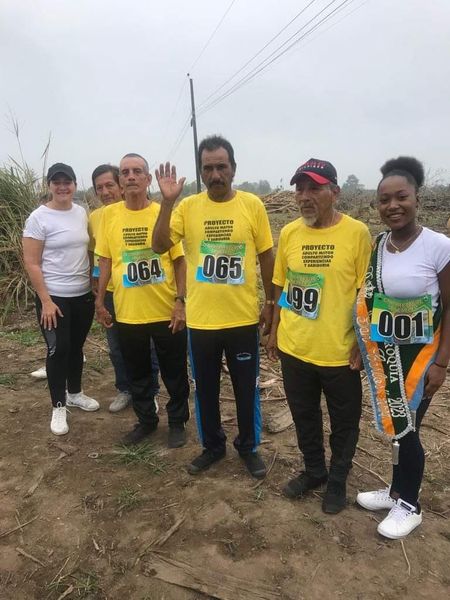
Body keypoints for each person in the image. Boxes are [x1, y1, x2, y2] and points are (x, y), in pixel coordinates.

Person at [152, 135, 275, 479]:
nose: (215, 174)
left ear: (233, 168)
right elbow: (159, 245)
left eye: (221, 166)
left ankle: (248, 447)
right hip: (202, 322)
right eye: (208, 168)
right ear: (201, 172)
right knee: (205, 389)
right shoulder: (188, 208)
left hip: (242, 320)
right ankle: (213, 446)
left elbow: (266, 255)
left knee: (245, 388)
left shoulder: (252, 205)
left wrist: (269, 302)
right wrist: (166, 203)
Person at [266, 158, 372, 513]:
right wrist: (274, 330)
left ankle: (338, 479)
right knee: (304, 415)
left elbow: (366, 292)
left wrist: (362, 341)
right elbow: (281, 283)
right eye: (300, 189)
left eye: (314, 188)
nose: (304, 196)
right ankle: (314, 470)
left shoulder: (357, 233)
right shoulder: (290, 233)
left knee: (344, 422)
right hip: (295, 347)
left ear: (335, 192)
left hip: (339, 351)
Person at [354, 156, 450, 538]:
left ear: (417, 198)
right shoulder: (379, 245)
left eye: (401, 197)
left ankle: (410, 505)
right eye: (384, 200)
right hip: (387, 353)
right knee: (398, 428)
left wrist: (442, 364)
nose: (393, 205)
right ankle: (396, 491)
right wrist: (361, 347)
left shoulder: (438, 246)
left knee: (408, 429)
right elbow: (370, 301)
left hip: (421, 358)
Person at [94, 153, 190, 448]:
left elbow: (180, 262)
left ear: (148, 179)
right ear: (120, 181)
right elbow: (106, 260)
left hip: (165, 310)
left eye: (137, 171)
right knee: (137, 373)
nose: (131, 176)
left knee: (174, 372)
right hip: (128, 312)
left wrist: (180, 301)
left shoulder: (164, 213)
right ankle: (146, 421)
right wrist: (100, 300)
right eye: (125, 172)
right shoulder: (109, 216)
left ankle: (177, 422)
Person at [23, 163, 99, 436]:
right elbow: (32, 262)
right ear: (50, 186)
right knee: (59, 349)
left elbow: (89, 250)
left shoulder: (81, 212)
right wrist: (45, 300)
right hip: (54, 296)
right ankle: (58, 405)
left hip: (82, 295)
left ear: (75, 185)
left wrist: (93, 280)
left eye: (68, 182)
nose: (63, 187)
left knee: (76, 347)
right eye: (57, 182)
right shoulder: (38, 218)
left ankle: (75, 393)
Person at [88, 164, 160, 413]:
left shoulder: (147, 211)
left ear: (120, 185)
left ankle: (151, 391)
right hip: (110, 290)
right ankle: (125, 388)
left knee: (147, 345)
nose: (105, 192)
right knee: (116, 344)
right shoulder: (96, 218)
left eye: (109, 185)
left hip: (142, 289)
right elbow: (97, 253)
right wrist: (95, 280)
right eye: (99, 188)